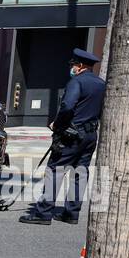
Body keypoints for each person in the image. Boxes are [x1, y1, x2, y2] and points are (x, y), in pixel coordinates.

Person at [19, 48, 106, 226]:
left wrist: (57, 124)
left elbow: (67, 106)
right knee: (80, 173)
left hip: (71, 135)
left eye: (74, 64)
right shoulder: (100, 83)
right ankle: (71, 213)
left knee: (55, 171)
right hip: (90, 135)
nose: (72, 68)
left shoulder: (77, 82)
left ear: (80, 65)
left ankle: (43, 213)